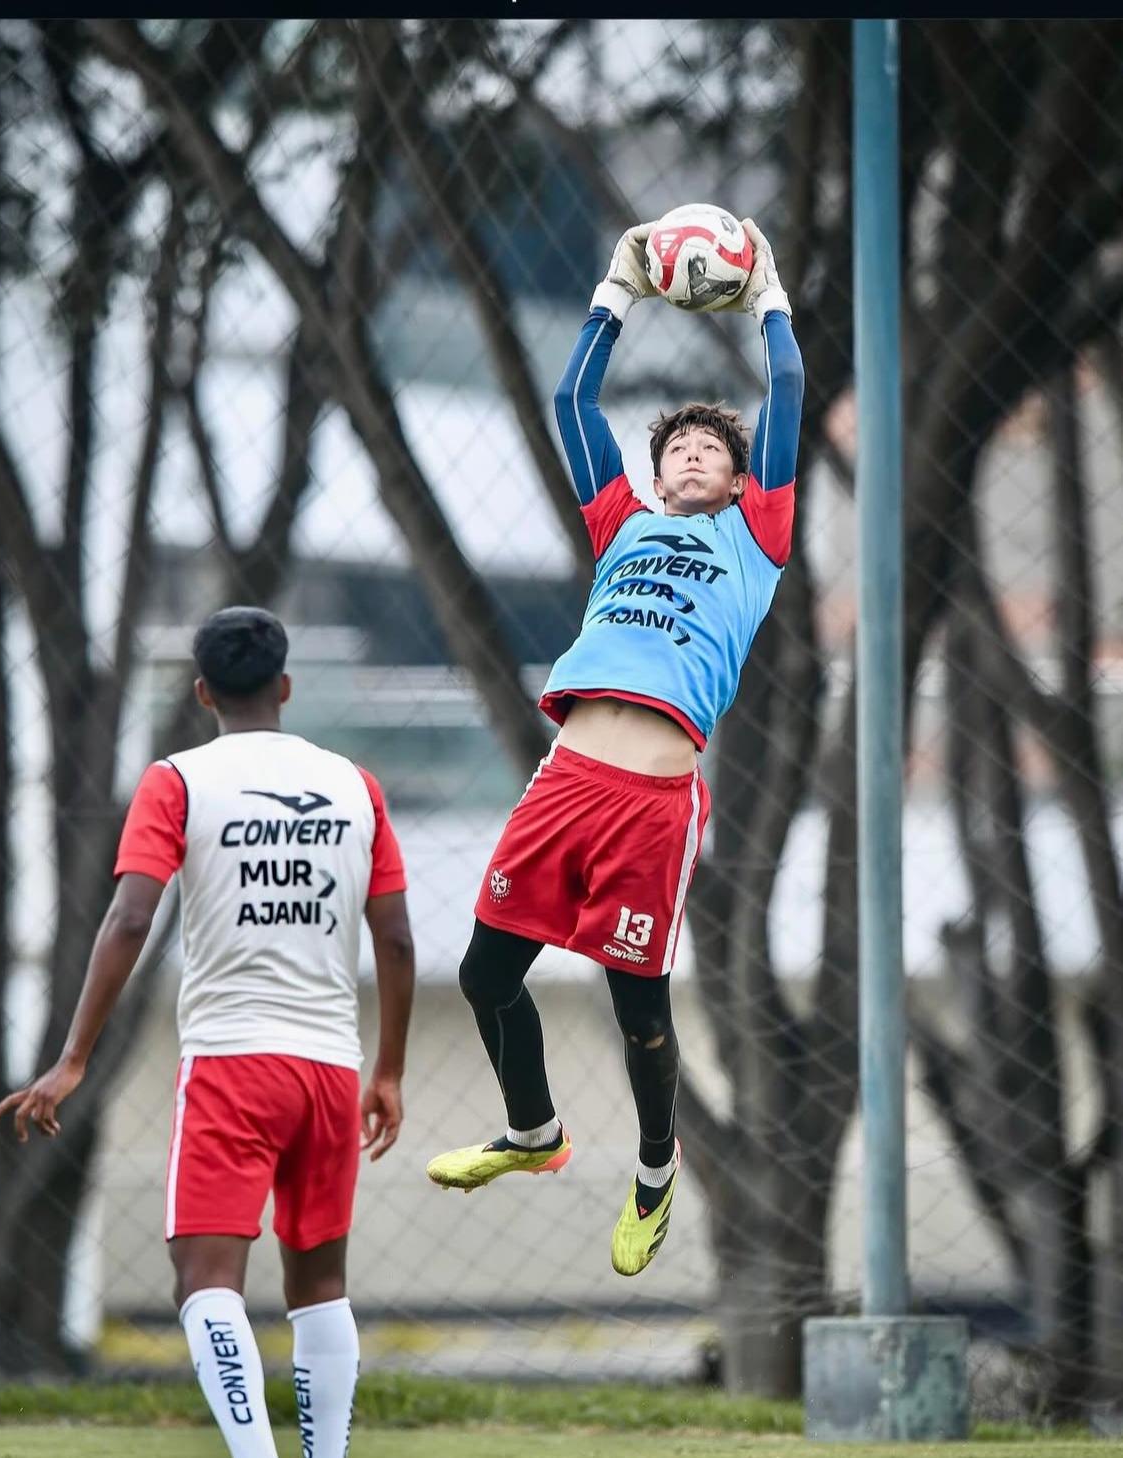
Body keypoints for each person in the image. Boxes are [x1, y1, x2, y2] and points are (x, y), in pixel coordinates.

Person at [426, 218, 803, 1278]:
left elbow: (786, 394)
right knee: (484, 972)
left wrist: (766, 291)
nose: (694, 454)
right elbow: (571, 404)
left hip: (654, 802)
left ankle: (653, 1167)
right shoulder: (621, 525)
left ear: (737, 482)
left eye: (713, 452)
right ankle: (534, 1133)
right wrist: (614, 291)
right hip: (567, 782)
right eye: (680, 445)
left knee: (640, 1009)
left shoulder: (755, 539)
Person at [0, 606, 415, 1458]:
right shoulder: (355, 784)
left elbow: (127, 920)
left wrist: (74, 1058)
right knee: (320, 1284)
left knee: (205, 1281)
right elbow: (398, 939)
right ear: (285, 687)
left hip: (232, 1063)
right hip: (332, 1067)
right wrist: (390, 1073)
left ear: (201, 692)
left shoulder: (177, 780)